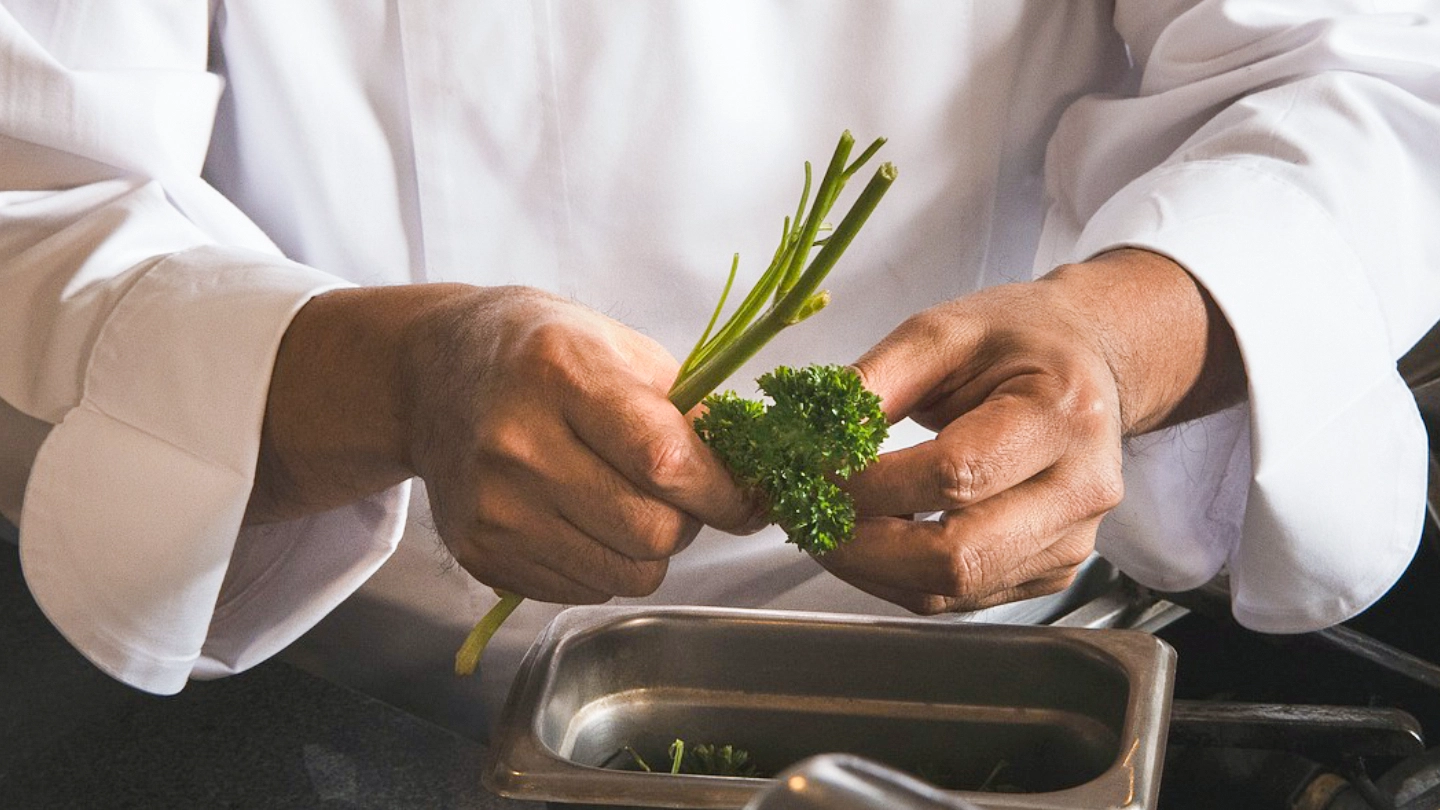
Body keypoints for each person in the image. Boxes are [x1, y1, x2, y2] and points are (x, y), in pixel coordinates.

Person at [2, 1, 1437, 730]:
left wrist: (1120, 339)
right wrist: (395, 378)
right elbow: (40, 190)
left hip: (1015, 672)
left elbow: (1355, 72)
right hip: (332, 696)